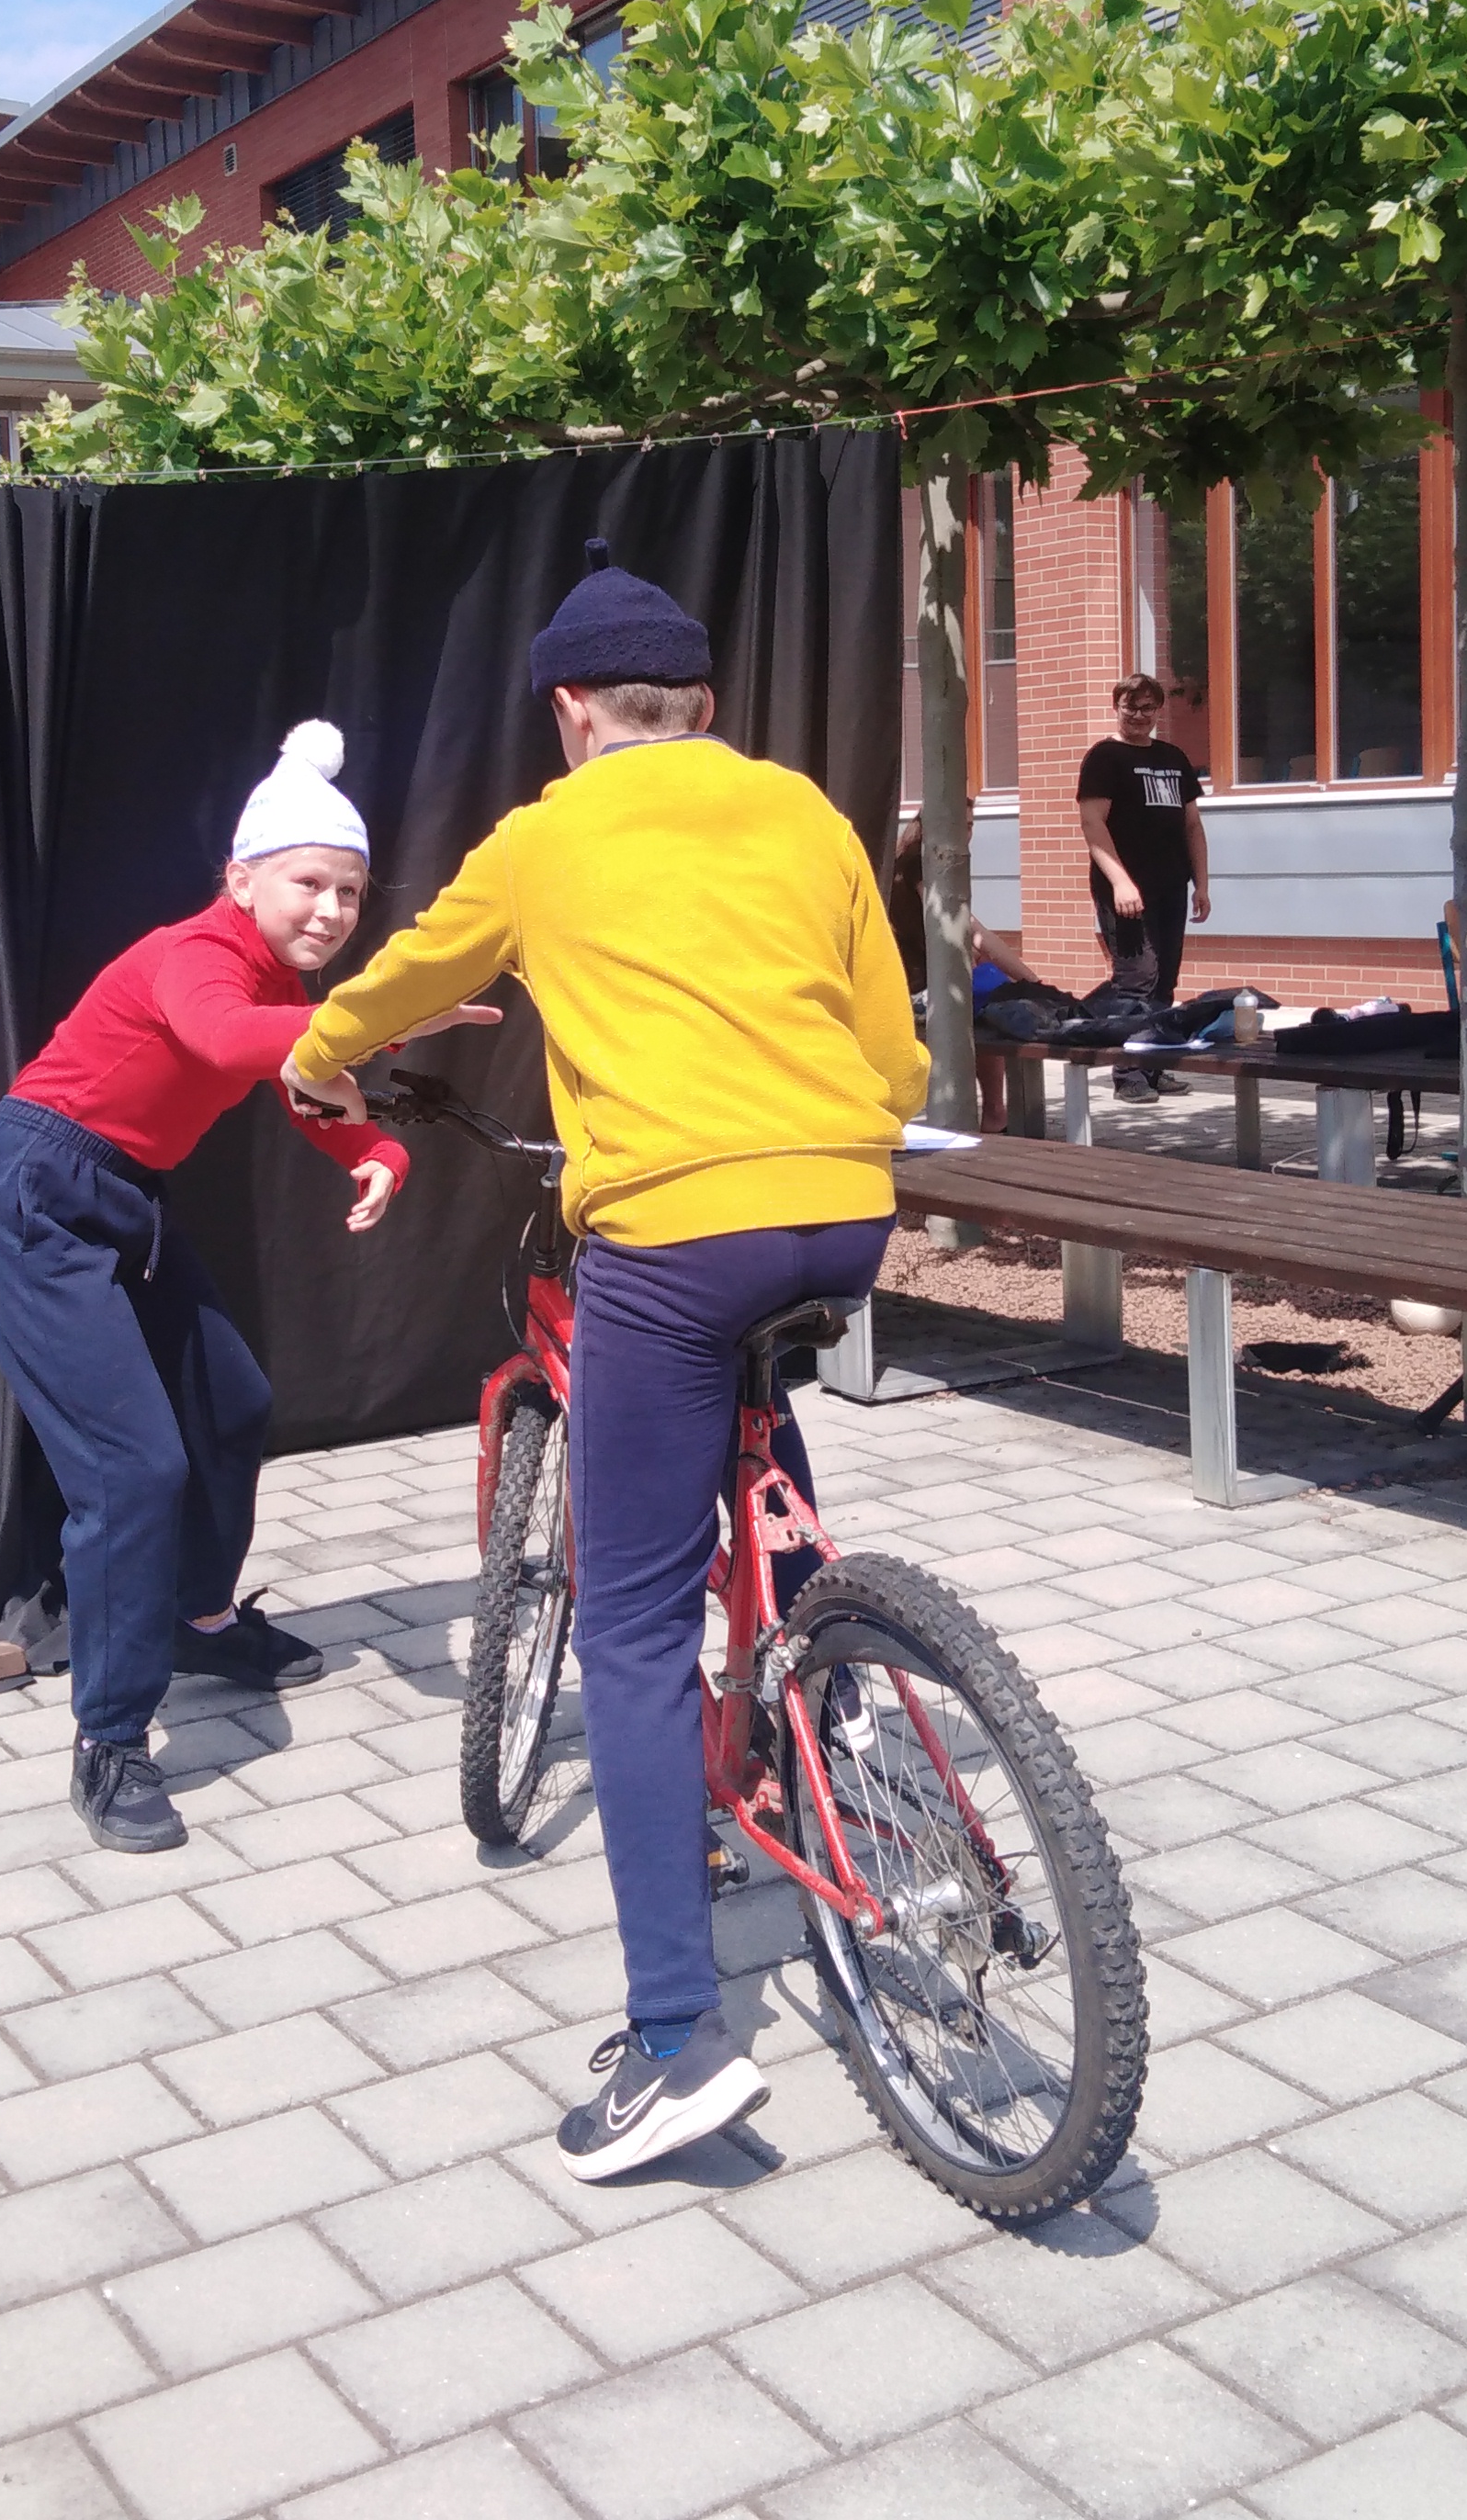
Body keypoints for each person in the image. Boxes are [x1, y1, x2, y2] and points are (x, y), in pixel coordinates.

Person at [285, 541, 924, 2183]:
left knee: (631, 1636)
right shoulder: (801, 811)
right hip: (844, 1212)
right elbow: (892, 1043)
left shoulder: (546, 836)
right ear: (700, 702)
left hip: (676, 1237)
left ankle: (673, 2041)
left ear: (571, 710)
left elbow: (411, 973)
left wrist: (322, 1054)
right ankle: (822, 1668)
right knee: (749, 1418)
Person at [0, 722, 492, 1856]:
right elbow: (225, 1035)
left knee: (231, 1406)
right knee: (131, 1470)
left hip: (120, 1198)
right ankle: (109, 1738)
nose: (331, 911)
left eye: (349, 891)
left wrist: (375, 1152)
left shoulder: (278, 981)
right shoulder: (192, 954)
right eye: (308, 885)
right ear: (240, 879)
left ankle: (198, 1618)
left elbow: (298, 1079)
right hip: (32, 1196)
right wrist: (380, 1016)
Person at [1075, 677, 1210, 1100]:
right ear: (1116, 707)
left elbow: (1192, 826)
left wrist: (1202, 885)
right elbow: (1092, 823)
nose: (1138, 715)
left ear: (1158, 711)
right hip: (1124, 891)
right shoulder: (1104, 757)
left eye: (1147, 708)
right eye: (1130, 707)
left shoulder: (1173, 757)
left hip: (1171, 886)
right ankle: (1127, 1074)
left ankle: (1153, 1065)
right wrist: (1121, 881)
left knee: (1164, 979)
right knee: (1136, 978)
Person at [885, 824, 1036, 1132]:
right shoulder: (922, 867)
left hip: (921, 984)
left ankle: (995, 1111)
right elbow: (970, 931)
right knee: (993, 1003)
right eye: (961, 824)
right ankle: (995, 1111)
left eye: (970, 825)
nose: (966, 833)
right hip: (915, 992)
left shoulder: (914, 861)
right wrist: (1032, 982)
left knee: (989, 996)